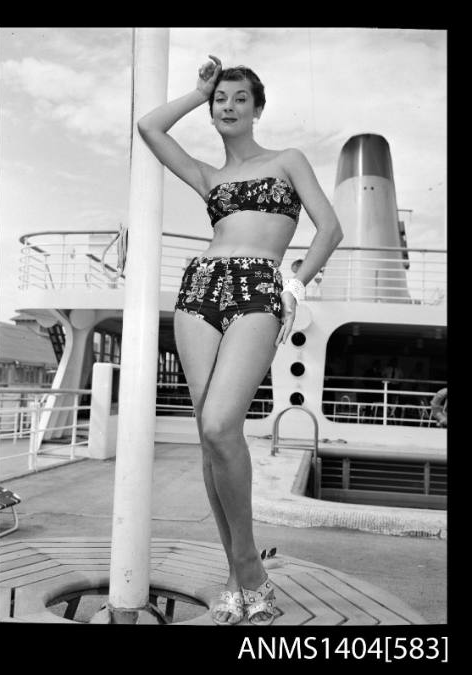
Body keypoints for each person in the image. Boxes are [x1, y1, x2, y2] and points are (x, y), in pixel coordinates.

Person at [137, 55, 343, 626]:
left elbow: (330, 227)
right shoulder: (208, 175)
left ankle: (249, 565)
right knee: (209, 436)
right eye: (219, 100)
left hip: (261, 286)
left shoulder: (288, 160)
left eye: (237, 99)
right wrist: (196, 89)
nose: (227, 107)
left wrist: (295, 284)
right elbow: (151, 128)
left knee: (221, 424)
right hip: (199, 290)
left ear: (257, 108)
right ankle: (239, 575)